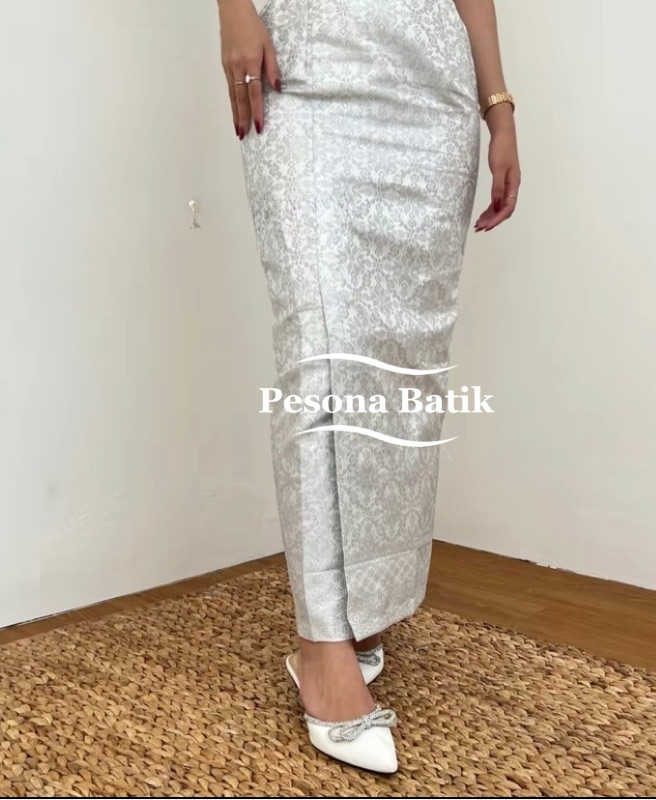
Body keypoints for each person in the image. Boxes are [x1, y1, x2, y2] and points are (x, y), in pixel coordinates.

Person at [216, 0, 519, 773]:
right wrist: (232, 11)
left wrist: (497, 106)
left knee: (400, 358)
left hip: (430, 83)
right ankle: (322, 647)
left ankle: (361, 609)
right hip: (303, 60)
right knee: (318, 353)